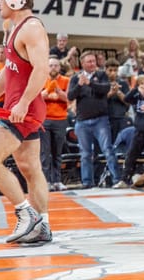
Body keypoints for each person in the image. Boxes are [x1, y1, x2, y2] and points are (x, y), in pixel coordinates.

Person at [0, 0, 52, 245]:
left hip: (23, 109)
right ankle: (43, 225)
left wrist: (22, 103)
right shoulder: (13, 27)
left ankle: (25, 214)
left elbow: (42, 70)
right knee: (30, 167)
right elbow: (9, 73)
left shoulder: (31, 28)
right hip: (20, 105)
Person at [67, 51, 126, 189]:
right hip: (82, 121)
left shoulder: (101, 75)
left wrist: (90, 83)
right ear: (83, 63)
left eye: (93, 61)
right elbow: (70, 95)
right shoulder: (76, 78)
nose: (92, 64)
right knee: (85, 153)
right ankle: (87, 182)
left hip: (100, 120)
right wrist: (80, 85)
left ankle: (117, 179)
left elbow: (105, 89)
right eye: (89, 61)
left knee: (108, 149)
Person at [40, 57, 70, 192]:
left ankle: (57, 181)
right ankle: (45, 181)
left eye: (56, 65)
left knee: (57, 152)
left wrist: (57, 90)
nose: (53, 68)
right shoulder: (40, 79)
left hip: (60, 119)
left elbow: (68, 98)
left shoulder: (66, 80)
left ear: (59, 67)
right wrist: (47, 92)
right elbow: (37, 97)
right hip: (44, 119)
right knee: (45, 153)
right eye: (50, 65)